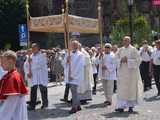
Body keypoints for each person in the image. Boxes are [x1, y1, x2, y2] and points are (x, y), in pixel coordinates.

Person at [115, 36, 143, 113]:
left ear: (129, 41)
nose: (125, 42)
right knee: (122, 90)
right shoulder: (120, 50)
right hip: (122, 74)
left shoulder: (133, 50)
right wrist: (120, 60)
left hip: (131, 75)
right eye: (124, 40)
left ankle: (130, 106)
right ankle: (121, 106)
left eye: (126, 40)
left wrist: (128, 61)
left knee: (131, 90)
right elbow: (115, 59)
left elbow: (138, 60)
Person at [0, 50, 28, 120]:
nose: (1, 64)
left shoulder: (13, 77)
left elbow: (10, 104)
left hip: (13, 115)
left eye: (3, 61)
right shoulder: (9, 75)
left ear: (11, 61)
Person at [64, 40, 85, 114]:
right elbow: (64, 64)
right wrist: (67, 60)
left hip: (75, 76)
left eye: (75, 45)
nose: (74, 46)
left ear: (77, 46)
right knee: (74, 91)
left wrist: (72, 75)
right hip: (69, 76)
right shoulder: (68, 53)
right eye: (73, 45)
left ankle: (74, 107)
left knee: (74, 91)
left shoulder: (80, 55)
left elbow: (79, 66)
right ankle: (78, 105)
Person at [27, 43, 48, 110]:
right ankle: (32, 105)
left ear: (38, 48)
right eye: (32, 48)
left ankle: (45, 103)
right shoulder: (30, 56)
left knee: (43, 90)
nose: (33, 49)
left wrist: (31, 62)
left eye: (34, 48)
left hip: (41, 75)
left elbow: (41, 65)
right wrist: (28, 72)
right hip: (33, 76)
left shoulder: (42, 55)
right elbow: (26, 65)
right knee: (33, 90)